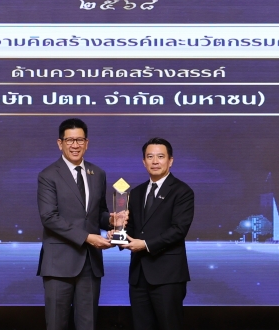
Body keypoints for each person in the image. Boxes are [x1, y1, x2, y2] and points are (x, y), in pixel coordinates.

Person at [37, 118, 113, 330]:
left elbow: (98, 214)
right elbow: (49, 217)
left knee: (88, 324)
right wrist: (87, 238)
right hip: (58, 264)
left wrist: (112, 220)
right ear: (59, 143)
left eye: (79, 140)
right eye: (69, 140)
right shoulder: (48, 175)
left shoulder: (98, 174)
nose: (75, 145)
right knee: (56, 324)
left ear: (86, 143)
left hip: (90, 264)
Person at [121, 137, 195, 330]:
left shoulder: (182, 191)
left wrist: (145, 245)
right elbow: (132, 228)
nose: (155, 161)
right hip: (138, 276)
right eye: (150, 157)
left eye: (160, 157)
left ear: (170, 161)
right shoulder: (136, 192)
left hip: (167, 277)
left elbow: (179, 230)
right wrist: (119, 234)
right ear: (143, 161)